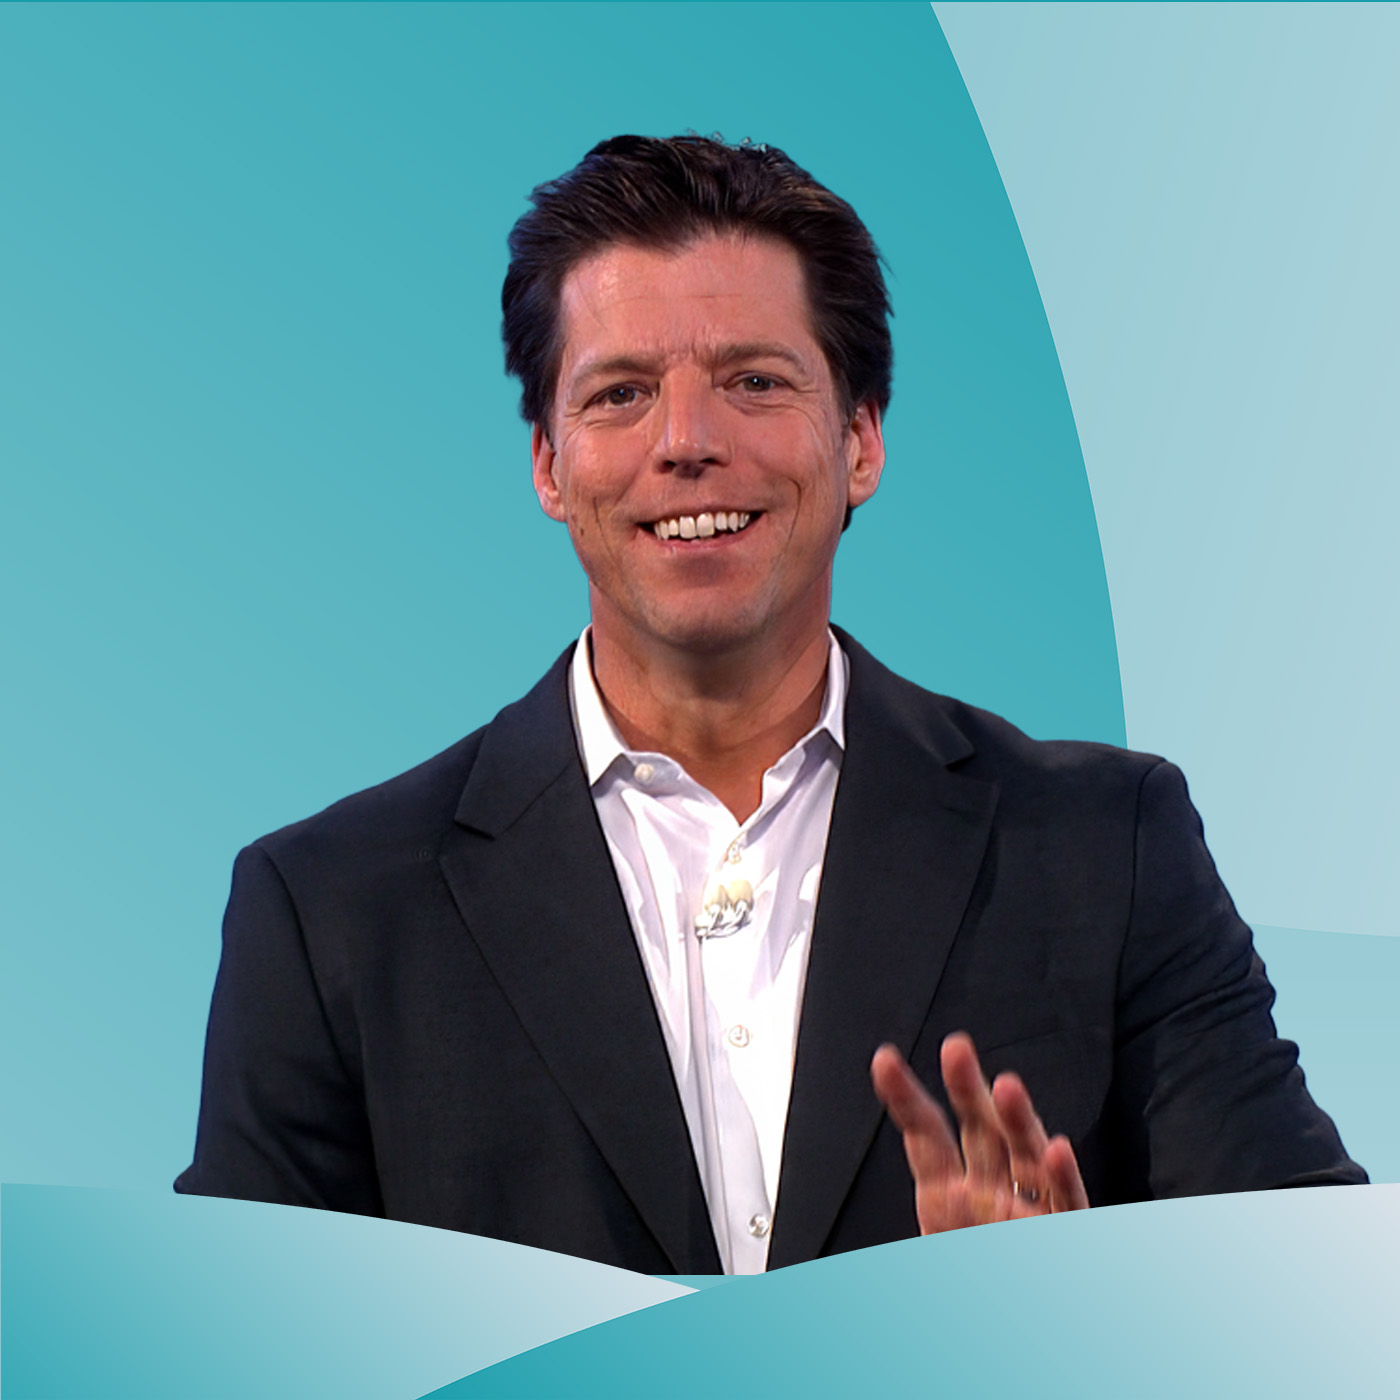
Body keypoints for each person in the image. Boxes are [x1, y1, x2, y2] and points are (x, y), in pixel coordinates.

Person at [176, 134, 1365, 1275]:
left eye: (752, 380)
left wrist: (1066, 1312)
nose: (686, 441)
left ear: (859, 441)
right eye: (620, 393)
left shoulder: (1106, 848)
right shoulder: (329, 911)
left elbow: (1316, 1310)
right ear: (547, 463)